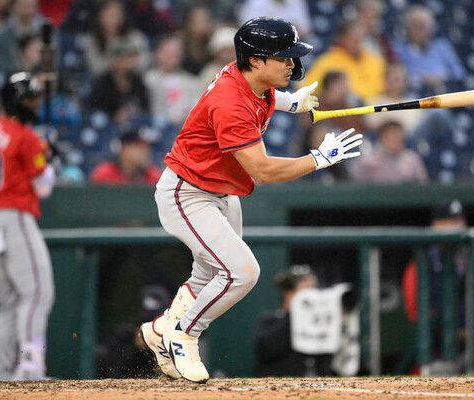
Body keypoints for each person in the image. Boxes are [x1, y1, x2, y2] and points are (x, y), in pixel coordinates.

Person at [137, 17, 363, 383]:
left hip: (221, 190)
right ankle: (183, 335)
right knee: (241, 273)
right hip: (187, 193)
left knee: (209, 274)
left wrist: (292, 103)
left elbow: (260, 95)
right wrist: (318, 159)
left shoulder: (248, 77)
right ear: (256, 60)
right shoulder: (230, 102)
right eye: (283, 57)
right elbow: (264, 170)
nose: (291, 64)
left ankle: (162, 329)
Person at [0, 72, 56, 380]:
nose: (34, 104)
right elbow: (43, 186)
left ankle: (1, 371)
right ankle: (31, 366)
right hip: (14, 215)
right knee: (37, 293)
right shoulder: (25, 136)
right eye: (30, 99)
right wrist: (48, 158)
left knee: (7, 300)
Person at [401, 200, 474, 374]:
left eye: (460, 220)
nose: (458, 225)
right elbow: (415, 311)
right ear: (435, 225)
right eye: (450, 221)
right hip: (436, 352)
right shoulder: (422, 263)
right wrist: (452, 333)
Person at [253, 265, 332, 376]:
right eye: (306, 293)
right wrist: (295, 314)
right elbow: (266, 349)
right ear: (289, 294)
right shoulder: (270, 321)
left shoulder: (319, 323)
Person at [301, 21, 386, 102]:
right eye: (353, 39)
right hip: (345, 108)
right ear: (342, 39)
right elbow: (308, 89)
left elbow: (385, 86)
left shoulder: (374, 60)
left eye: (361, 39)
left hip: (377, 104)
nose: (358, 43)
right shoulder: (328, 62)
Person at [392, 5, 466, 94]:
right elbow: (396, 75)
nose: (418, 32)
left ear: (430, 30)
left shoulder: (442, 47)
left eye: (421, 27)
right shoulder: (399, 49)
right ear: (407, 29)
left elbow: (459, 73)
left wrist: (440, 78)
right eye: (414, 27)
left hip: (443, 91)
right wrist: (421, 78)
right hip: (412, 94)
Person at [89, 38, 150, 126]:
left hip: (135, 127)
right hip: (107, 128)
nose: (132, 60)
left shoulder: (138, 81)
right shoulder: (102, 83)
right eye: (127, 57)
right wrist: (112, 117)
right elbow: (94, 112)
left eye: (132, 56)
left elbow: (145, 109)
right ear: (115, 60)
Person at [144, 33, 200, 127]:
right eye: (168, 51)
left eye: (177, 52)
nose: (173, 55)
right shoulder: (148, 80)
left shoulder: (191, 81)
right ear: (157, 53)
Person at [83, 0, 150, 76]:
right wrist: (116, 64)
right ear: (100, 16)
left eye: (117, 14)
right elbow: (95, 67)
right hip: (104, 80)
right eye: (110, 15)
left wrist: (131, 64)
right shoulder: (92, 40)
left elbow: (145, 60)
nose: (114, 19)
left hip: (134, 78)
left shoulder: (135, 36)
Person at [350, 120, 428, 184]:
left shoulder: (413, 159)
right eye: (391, 138)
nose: (395, 141)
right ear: (381, 138)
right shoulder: (367, 161)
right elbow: (358, 186)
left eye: (398, 137)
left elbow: (422, 185)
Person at [90, 130, 161, 185]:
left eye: (147, 148)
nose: (146, 152)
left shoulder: (154, 176)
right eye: (140, 147)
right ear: (124, 150)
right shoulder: (104, 174)